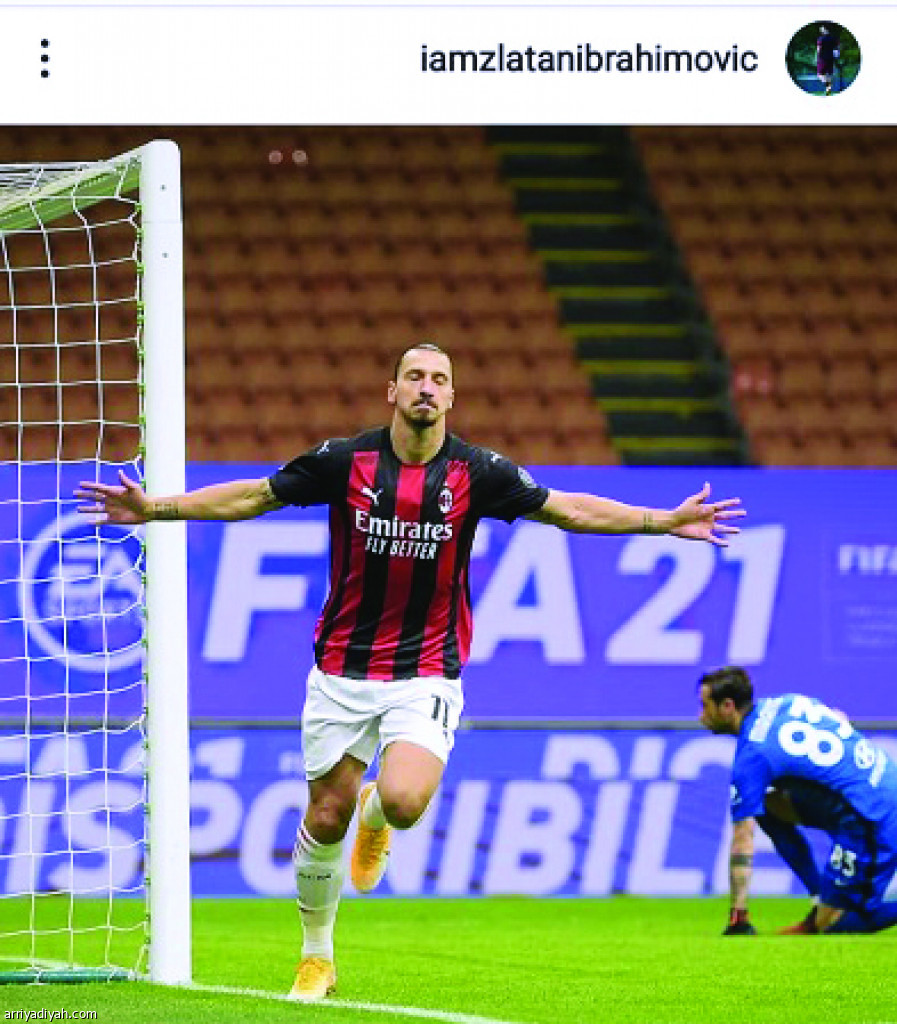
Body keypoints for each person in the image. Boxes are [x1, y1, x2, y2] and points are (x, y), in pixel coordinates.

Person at [77, 343, 745, 1000]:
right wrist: (156, 508)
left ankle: (377, 810)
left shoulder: (478, 472)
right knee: (325, 815)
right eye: (415, 376)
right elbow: (254, 496)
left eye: (439, 379)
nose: (426, 387)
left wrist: (663, 521)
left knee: (401, 800)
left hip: (426, 669)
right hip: (341, 669)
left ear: (451, 396)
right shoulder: (345, 461)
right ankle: (316, 958)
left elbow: (566, 509)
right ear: (392, 391)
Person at [698, 666, 897, 936]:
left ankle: (825, 912)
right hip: (883, 779)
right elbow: (840, 718)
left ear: (727, 706)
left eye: (705, 706)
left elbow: (743, 839)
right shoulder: (789, 701)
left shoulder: (752, 756)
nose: (701, 716)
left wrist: (738, 916)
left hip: (873, 813)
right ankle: (819, 898)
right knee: (768, 806)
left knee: (834, 924)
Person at [816, 24, 841, 95]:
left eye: (822, 29)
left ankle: (827, 85)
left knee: (820, 74)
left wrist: (817, 57)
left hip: (822, 58)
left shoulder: (821, 39)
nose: (821, 30)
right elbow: (838, 47)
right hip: (831, 58)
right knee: (829, 74)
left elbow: (819, 49)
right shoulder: (834, 38)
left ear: (825, 29)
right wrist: (837, 55)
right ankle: (828, 89)